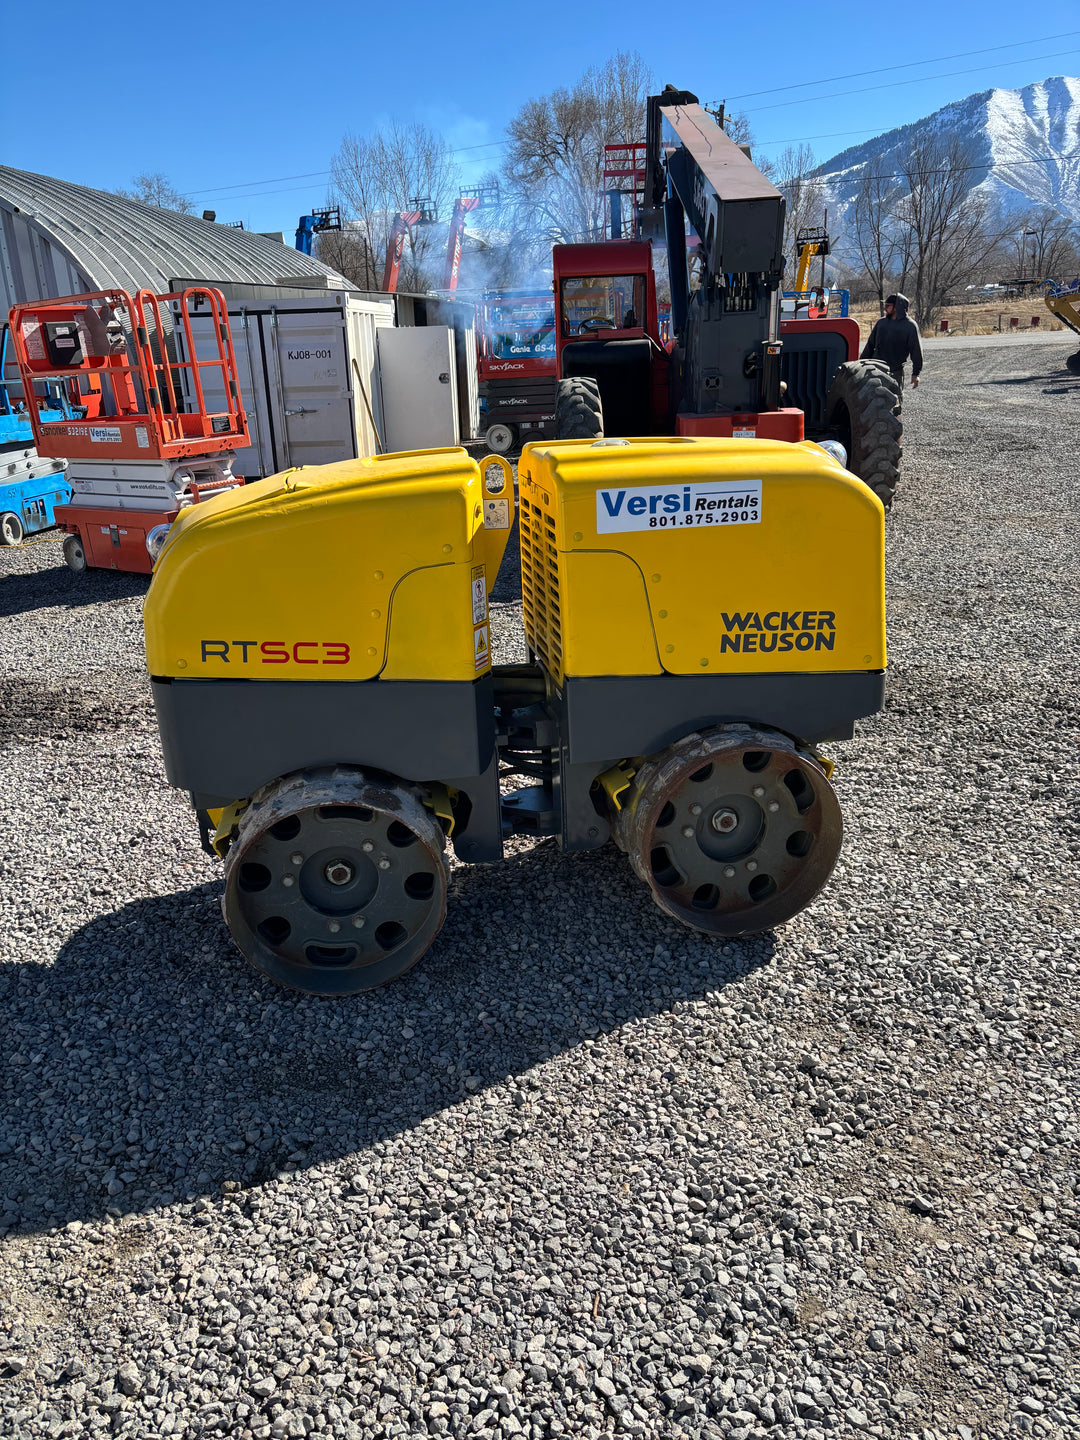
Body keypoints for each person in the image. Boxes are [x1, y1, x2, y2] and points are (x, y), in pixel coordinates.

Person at [861, 293, 923, 390]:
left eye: (888, 306)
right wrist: (862, 364)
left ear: (897, 307)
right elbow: (870, 345)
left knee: (894, 401)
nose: (885, 308)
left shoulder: (910, 326)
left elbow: (916, 351)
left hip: (895, 373)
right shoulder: (881, 323)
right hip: (875, 369)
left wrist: (916, 374)